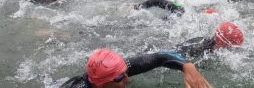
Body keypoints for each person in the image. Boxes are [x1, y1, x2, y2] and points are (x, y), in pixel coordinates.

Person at [61, 48, 212, 88]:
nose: (127, 78)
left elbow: (161, 57)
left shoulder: (114, 71)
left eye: (126, 73)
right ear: (100, 84)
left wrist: (188, 67)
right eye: (121, 78)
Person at [174, 22, 244, 58]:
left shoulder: (214, 45)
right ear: (222, 44)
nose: (232, 49)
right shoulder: (196, 48)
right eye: (232, 46)